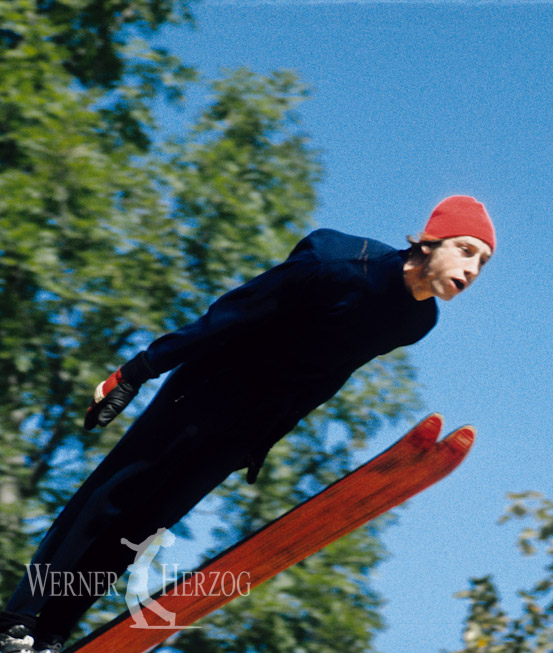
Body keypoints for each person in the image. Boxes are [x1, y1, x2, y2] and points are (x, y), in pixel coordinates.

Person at [0, 196, 495, 653]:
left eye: (482, 263)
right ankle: (18, 620)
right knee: (110, 500)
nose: (471, 270)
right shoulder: (336, 260)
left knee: (145, 528)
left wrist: (264, 440)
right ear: (430, 241)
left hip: (248, 423)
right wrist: (138, 371)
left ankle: (52, 632)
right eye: (466, 250)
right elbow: (231, 315)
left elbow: (327, 376)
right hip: (207, 386)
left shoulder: (417, 323)